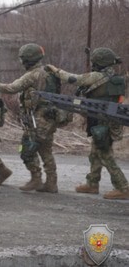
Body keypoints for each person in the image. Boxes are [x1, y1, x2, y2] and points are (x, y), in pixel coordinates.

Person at [46, 47, 129, 200]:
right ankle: (92, 183)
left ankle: (123, 187)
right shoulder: (114, 78)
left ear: (98, 62)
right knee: (95, 153)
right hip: (110, 120)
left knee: (104, 154)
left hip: (101, 120)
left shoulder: (97, 76)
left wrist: (56, 71)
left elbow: (73, 79)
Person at [0, 43, 60, 193]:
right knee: (45, 150)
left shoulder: (33, 74)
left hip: (37, 121)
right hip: (49, 118)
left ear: (27, 60)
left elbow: (11, 88)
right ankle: (51, 183)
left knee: (26, 149)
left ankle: (36, 179)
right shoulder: (50, 72)